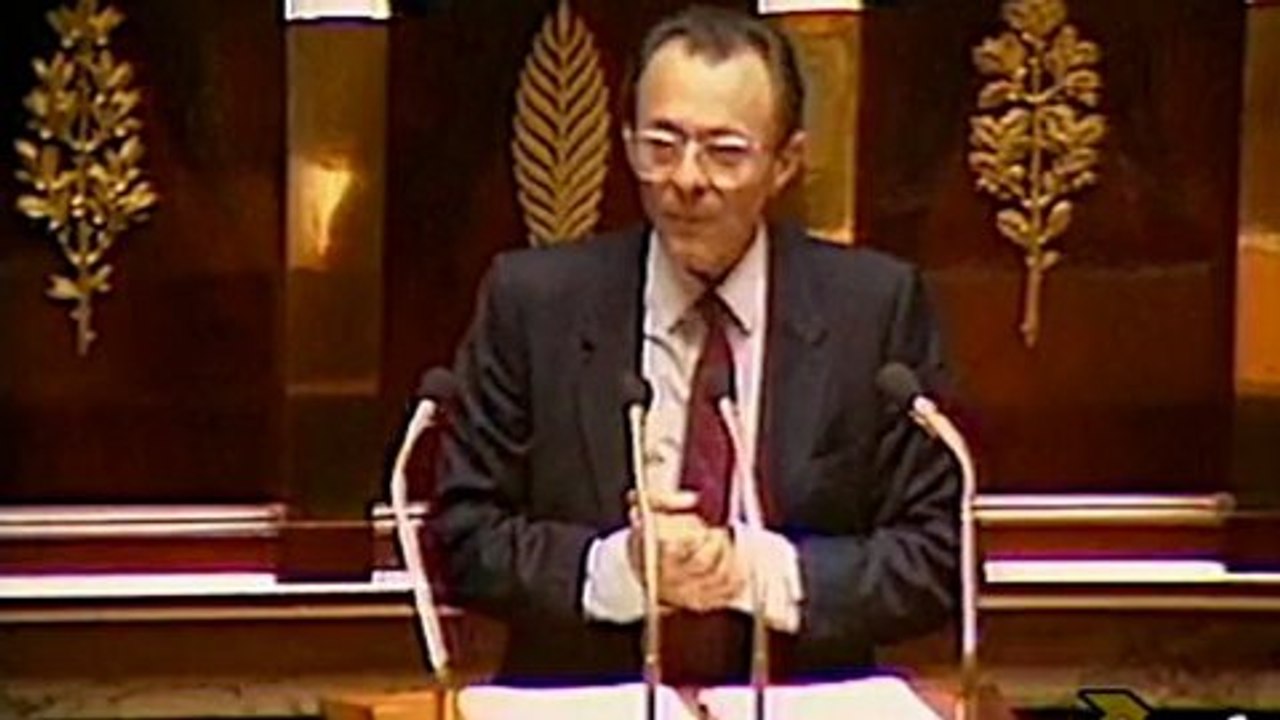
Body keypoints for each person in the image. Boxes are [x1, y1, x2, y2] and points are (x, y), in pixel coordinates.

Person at [430, 4, 958, 686]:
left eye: (725, 152)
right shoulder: (534, 304)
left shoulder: (873, 310)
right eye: (662, 145)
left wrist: (752, 571)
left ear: (785, 162)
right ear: (627, 144)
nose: (686, 179)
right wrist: (617, 569)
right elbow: (463, 537)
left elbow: (937, 556)